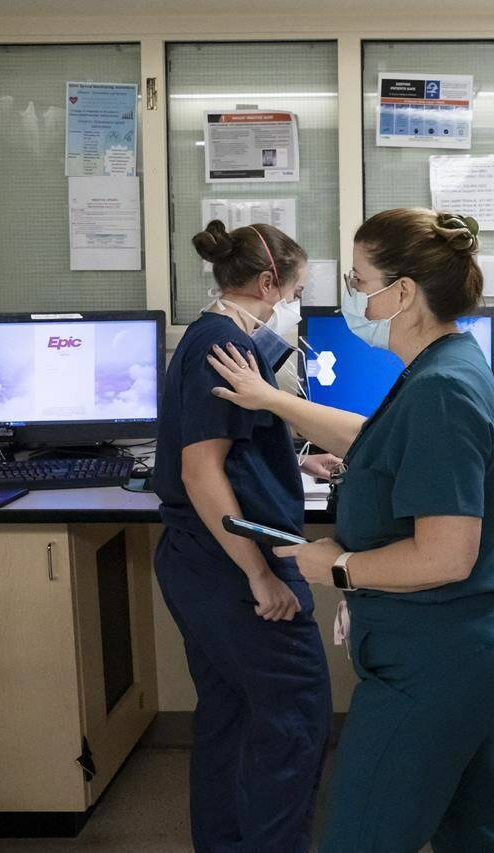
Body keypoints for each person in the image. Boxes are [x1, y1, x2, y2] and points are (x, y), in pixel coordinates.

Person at [207, 209, 494, 853]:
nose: (349, 296)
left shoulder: (443, 391)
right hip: (455, 646)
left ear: (402, 292)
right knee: (472, 832)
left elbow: (446, 554)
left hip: (433, 659)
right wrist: (272, 401)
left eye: (358, 280)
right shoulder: (442, 367)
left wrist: (340, 567)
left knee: (361, 833)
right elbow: (374, 440)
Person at [152, 220, 334, 852]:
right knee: (295, 713)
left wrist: (294, 454)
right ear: (267, 283)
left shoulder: (212, 336)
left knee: (230, 717)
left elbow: (231, 446)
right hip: (230, 568)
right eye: (296, 291)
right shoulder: (228, 347)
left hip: (197, 561)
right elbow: (200, 470)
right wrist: (260, 575)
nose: (295, 306)